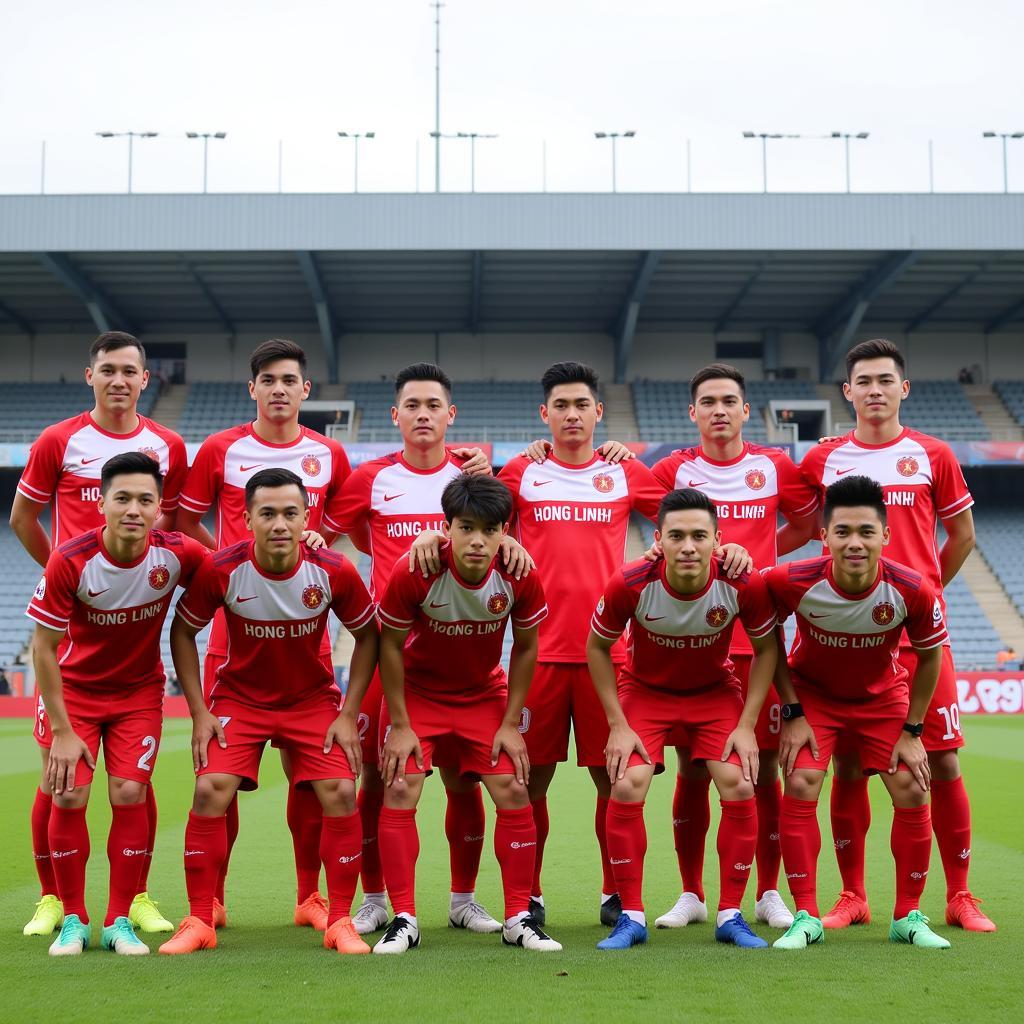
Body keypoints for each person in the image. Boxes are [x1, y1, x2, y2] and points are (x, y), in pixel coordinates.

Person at [800, 338, 994, 932]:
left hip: (915, 641)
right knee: (852, 766)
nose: (876, 390)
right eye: (865, 381)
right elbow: (782, 521)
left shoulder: (932, 455)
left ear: (903, 389)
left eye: (887, 380)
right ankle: (853, 896)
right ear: (848, 392)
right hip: (847, 639)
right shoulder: (822, 460)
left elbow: (962, 536)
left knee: (944, 762)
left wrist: (925, 590)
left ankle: (960, 896)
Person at [321, 362, 521, 936]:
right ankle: (376, 898)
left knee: (466, 779)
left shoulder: (476, 478)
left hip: (460, 653)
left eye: (434, 405)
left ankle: (463, 900)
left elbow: (502, 542)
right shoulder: (371, 478)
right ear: (396, 415)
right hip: (392, 653)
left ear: (451, 414)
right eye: (412, 405)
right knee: (381, 780)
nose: (424, 415)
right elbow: (330, 536)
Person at [11, 331, 187, 939]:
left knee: (132, 785)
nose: (118, 380)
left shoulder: (169, 445)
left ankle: (132, 899)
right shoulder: (58, 440)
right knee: (59, 780)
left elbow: (181, 527)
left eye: (128, 371)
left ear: (146, 380)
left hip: (135, 638)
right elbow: (22, 518)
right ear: (90, 377)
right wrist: (70, 580)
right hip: (73, 637)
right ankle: (54, 900)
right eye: (106, 369)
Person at [160, 469, 379, 956]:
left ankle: (339, 920)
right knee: (209, 788)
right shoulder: (222, 568)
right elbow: (181, 632)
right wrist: (199, 711)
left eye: (290, 513)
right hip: (241, 699)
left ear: (306, 518)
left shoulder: (333, 571)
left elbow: (369, 635)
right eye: (267, 514)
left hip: (311, 700)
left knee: (342, 791)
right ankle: (200, 918)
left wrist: (349, 712)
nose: (279, 524)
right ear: (247, 518)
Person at [176, 339, 352, 931]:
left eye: (290, 380)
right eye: (268, 379)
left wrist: (318, 545)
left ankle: (310, 897)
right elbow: (186, 518)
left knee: (312, 782)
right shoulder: (222, 449)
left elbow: (333, 526)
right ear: (252, 388)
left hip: (307, 643)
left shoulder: (328, 454)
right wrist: (226, 565)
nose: (279, 389)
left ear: (306, 390)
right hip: (235, 636)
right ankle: (212, 902)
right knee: (217, 778)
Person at [497, 361, 667, 926]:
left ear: (599, 412)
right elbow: (476, 522)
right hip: (537, 652)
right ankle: (530, 895)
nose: (572, 414)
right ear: (544, 415)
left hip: (607, 652)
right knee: (528, 780)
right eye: (561, 406)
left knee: (615, 780)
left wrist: (654, 555)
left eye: (582, 405)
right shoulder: (522, 471)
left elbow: (679, 518)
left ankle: (616, 893)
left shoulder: (624, 473)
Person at [649, 363, 818, 930]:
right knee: (694, 767)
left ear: (746, 411)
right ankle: (692, 893)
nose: (718, 410)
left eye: (729, 401)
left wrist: (761, 549)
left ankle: (767, 891)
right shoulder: (674, 468)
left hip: (757, 637)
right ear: (692, 413)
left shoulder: (774, 465)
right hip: (694, 638)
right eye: (707, 402)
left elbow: (808, 523)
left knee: (763, 767)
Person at [26, 452, 207, 955]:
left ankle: (118, 920)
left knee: (129, 792)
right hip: (73, 693)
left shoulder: (178, 554)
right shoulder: (71, 559)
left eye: (145, 500)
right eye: (122, 498)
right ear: (101, 502)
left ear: (158, 507)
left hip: (137, 694)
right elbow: (42, 647)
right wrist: (61, 730)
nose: (134, 509)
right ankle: (72, 919)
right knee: (67, 795)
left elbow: (232, 570)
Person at [373, 474, 561, 953]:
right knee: (400, 784)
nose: (478, 540)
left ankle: (516, 916)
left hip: (482, 695)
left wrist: (511, 723)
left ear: (505, 532)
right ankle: (404, 918)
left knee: (513, 786)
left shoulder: (519, 572)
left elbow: (527, 646)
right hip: (417, 694)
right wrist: (399, 725)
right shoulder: (415, 569)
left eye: (490, 529)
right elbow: (389, 646)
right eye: (466, 527)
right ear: (448, 527)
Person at [766, 473, 951, 950]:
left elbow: (930, 656)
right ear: (823, 536)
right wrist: (792, 711)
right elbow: (764, 635)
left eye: (866, 532)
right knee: (803, 779)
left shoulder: (912, 588)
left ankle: (908, 915)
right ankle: (804, 916)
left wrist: (913, 729)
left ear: (885, 536)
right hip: (814, 698)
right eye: (843, 532)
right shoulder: (790, 579)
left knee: (911, 783)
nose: (855, 543)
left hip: (882, 699)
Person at [588, 488, 779, 950]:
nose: (688, 546)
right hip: (646, 694)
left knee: (738, 782)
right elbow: (597, 647)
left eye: (699, 535)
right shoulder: (632, 582)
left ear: (718, 540)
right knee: (628, 783)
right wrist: (617, 723)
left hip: (714, 694)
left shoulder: (741, 583)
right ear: (659, 539)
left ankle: (731, 914)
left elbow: (768, 648)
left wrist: (746, 726)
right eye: (677, 536)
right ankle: (630, 916)